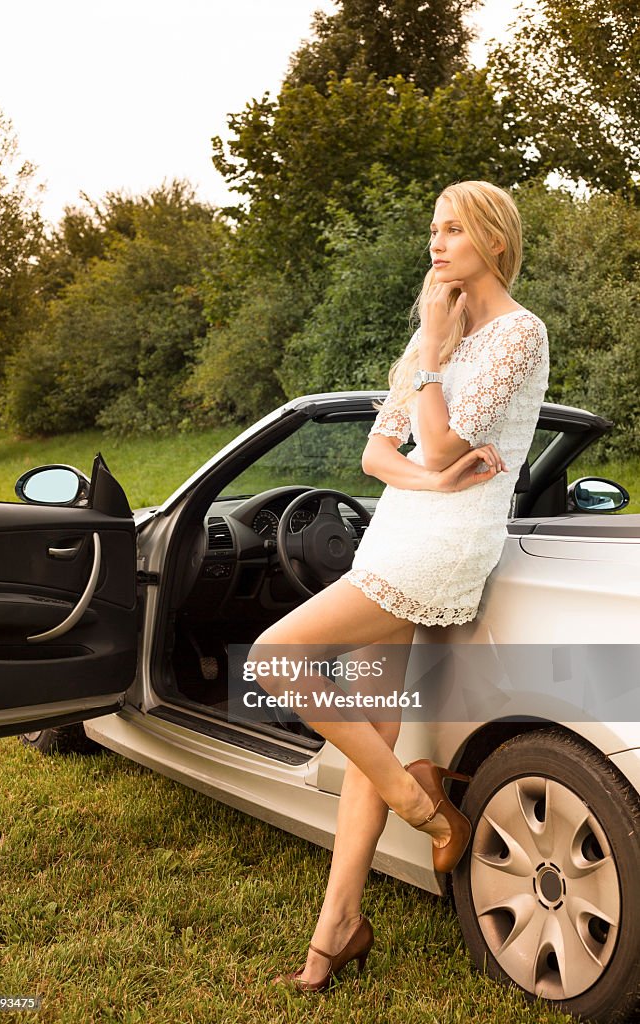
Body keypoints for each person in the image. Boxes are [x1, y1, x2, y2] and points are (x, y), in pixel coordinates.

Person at [248, 179, 550, 992]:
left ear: (492, 240)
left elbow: (442, 435)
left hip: (444, 549)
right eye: (432, 230)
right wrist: (433, 477)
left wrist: (431, 355)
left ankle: (423, 805)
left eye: (452, 229)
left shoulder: (520, 334)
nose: (436, 243)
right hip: (402, 530)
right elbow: (379, 460)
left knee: (274, 660)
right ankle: (335, 933)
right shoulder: (431, 340)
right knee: (370, 743)